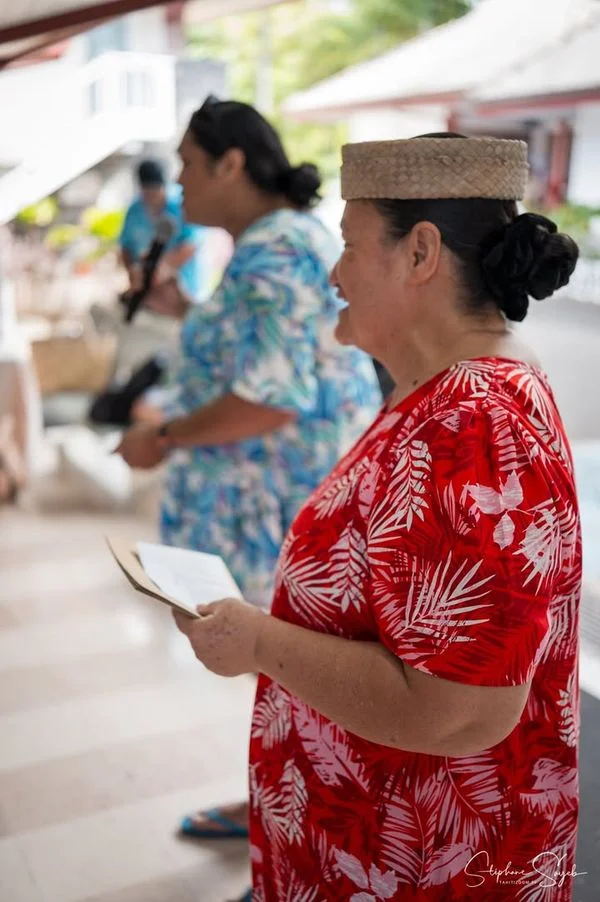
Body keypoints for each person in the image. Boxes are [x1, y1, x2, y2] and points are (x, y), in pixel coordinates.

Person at [173, 134, 582, 902]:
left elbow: (459, 712)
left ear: (420, 252)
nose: (334, 274)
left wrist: (257, 639)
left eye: (350, 245)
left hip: (424, 868)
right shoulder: (440, 395)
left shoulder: (476, 422)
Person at [116, 99, 382, 840]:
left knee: (298, 676)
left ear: (233, 164)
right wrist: (184, 308)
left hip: (289, 500)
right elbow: (261, 355)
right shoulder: (269, 243)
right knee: (286, 679)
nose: (178, 184)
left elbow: (272, 396)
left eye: (189, 166)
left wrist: (162, 436)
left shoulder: (278, 247)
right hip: (276, 497)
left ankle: (292, 843)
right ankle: (275, 822)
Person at [120, 158, 206, 301]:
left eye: (156, 190)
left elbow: (191, 244)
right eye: (148, 192)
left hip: (182, 286)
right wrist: (133, 270)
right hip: (148, 290)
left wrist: (164, 266)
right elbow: (125, 246)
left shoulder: (180, 206)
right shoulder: (134, 211)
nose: (153, 196)